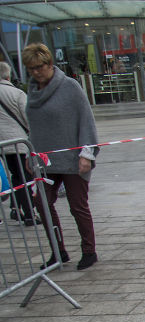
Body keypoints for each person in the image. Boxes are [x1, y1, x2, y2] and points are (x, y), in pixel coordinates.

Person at [23, 43, 99, 270]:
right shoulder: (32, 92)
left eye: (40, 66)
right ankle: (58, 250)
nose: (36, 72)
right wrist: (31, 155)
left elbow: (86, 120)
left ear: (50, 64)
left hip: (73, 159)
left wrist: (87, 154)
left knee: (78, 205)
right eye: (31, 68)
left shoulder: (69, 87)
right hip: (45, 161)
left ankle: (89, 250)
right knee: (42, 203)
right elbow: (34, 128)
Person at [0, 61, 40, 226]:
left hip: (3, 143)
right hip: (16, 143)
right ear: (8, 76)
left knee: (13, 177)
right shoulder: (16, 93)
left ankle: (16, 209)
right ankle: (29, 213)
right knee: (23, 177)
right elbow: (29, 119)